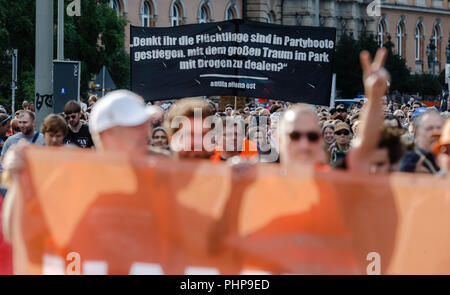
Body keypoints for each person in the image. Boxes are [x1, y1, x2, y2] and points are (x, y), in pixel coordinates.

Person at [398, 109, 444, 174]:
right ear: (417, 132)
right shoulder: (410, 160)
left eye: (439, 128)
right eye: (429, 129)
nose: (435, 133)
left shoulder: (446, 157)